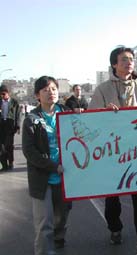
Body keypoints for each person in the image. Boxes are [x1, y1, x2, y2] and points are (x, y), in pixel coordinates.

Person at [89, 46, 137, 255]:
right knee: (112, 197)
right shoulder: (102, 89)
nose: (129, 62)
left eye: (131, 59)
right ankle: (115, 227)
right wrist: (105, 113)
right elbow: (92, 120)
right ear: (114, 64)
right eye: (124, 59)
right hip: (112, 152)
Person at [22, 76, 72, 255]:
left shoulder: (69, 113)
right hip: (42, 178)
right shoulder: (31, 119)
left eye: (53, 89)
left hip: (67, 177)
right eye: (45, 90)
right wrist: (52, 166)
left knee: (62, 217)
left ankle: (59, 238)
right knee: (45, 223)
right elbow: (29, 151)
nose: (50, 92)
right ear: (37, 95)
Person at [0, 84, 20, 171]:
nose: (2, 96)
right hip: (1, 126)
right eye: (1, 94)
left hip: (10, 126)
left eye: (4, 94)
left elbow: (17, 115)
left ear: (8, 93)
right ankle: (4, 165)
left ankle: (10, 163)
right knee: (1, 146)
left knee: (9, 146)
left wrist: (18, 126)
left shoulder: (14, 102)